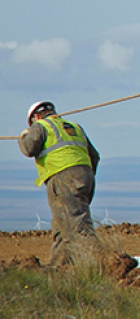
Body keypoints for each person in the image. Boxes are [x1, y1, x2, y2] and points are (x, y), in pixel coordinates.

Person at [17, 101, 99, 266]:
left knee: (78, 226)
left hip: (63, 178)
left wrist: (24, 136)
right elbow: (95, 156)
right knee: (61, 227)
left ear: (36, 117)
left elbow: (29, 148)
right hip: (85, 176)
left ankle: (101, 264)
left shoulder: (40, 125)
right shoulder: (75, 127)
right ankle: (59, 269)